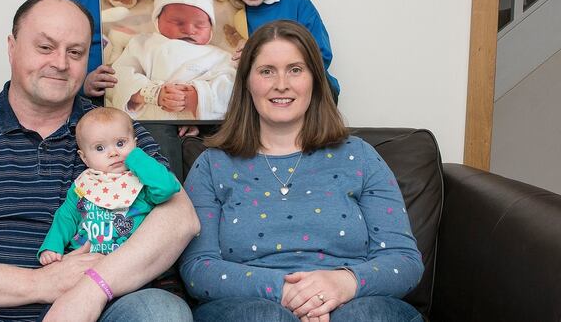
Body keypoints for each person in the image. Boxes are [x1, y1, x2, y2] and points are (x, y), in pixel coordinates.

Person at [0, 0, 198, 322]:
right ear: (12, 47)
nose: (61, 63)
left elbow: (181, 219)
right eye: (45, 47)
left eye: (75, 52)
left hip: (100, 308)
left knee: (160, 312)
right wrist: (38, 283)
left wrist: (91, 290)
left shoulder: (117, 133)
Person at [178, 21, 423, 322]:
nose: (282, 84)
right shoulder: (212, 165)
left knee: (364, 316)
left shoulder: (358, 156)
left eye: (295, 69)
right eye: (267, 71)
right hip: (248, 308)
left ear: (315, 81)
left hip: (353, 304)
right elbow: (198, 269)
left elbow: (404, 260)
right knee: (263, 317)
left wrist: (343, 284)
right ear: (247, 82)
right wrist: (282, 291)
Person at [52, 0, 195, 176]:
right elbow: (53, 49)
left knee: (162, 168)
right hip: (86, 104)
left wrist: (195, 112)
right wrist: (83, 84)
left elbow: (184, 55)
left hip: (150, 108)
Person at [38, 107, 180, 261]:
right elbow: (66, 218)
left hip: (131, 263)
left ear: (135, 144)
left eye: (120, 143)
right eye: (100, 148)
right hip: (84, 261)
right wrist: (52, 246)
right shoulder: (83, 185)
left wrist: (137, 157)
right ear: (84, 158)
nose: (113, 153)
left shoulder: (142, 181)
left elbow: (167, 188)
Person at [111, 0, 236, 122]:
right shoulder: (144, 44)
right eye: (178, 22)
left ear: (211, 28)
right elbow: (121, 74)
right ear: (157, 21)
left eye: (199, 24)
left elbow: (233, 87)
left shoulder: (220, 57)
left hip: (199, 126)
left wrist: (200, 97)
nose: (189, 30)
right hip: (150, 122)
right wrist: (151, 93)